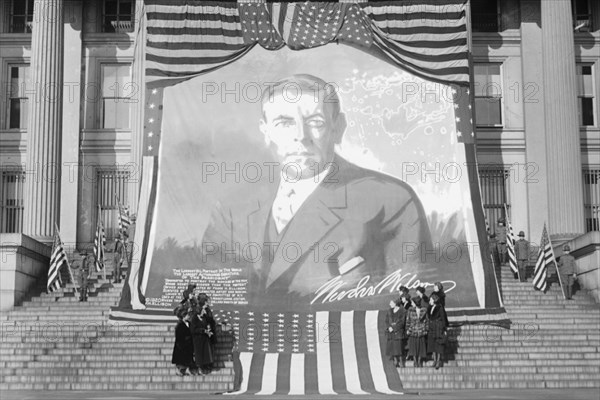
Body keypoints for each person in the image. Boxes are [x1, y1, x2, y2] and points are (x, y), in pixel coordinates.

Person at [202, 74, 433, 301]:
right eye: (285, 122)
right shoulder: (232, 209)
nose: (301, 136)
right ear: (265, 131)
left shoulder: (390, 200)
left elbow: (409, 298)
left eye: (315, 122)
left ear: (338, 128)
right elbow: (215, 293)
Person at [190, 299, 214, 374]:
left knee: (205, 354)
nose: (204, 311)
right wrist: (203, 330)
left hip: (205, 339)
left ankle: (205, 367)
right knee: (199, 355)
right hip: (198, 340)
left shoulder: (204, 318)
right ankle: (200, 368)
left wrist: (208, 328)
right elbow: (193, 329)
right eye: (203, 310)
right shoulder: (194, 319)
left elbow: (207, 324)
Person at [172, 305, 196, 376]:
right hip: (182, 345)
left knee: (188, 359)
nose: (189, 316)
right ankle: (179, 371)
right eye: (187, 315)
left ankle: (186, 370)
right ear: (183, 316)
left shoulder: (189, 323)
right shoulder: (179, 325)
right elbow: (179, 337)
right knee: (181, 360)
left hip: (189, 345)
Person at [427, 293, 448, 369]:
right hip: (432, 328)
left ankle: (438, 361)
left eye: (431, 299)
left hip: (438, 328)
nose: (430, 301)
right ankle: (434, 360)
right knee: (433, 345)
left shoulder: (440, 308)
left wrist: (444, 329)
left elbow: (443, 318)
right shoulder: (430, 307)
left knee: (438, 346)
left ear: (434, 300)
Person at [406, 296, 428, 368]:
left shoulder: (424, 310)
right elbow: (408, 321)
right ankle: (415, 361)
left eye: (412, 302)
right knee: (413, 347)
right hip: (413, 331)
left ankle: (419, 360)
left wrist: (426, 330)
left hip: (421, 331)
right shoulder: (410, 310)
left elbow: (427, 321)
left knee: (421, 347)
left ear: (416, 303)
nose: (411, 303)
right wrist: (408, 329)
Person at [385, 298, 407, 367]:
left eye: (391, 303)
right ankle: (395, 361)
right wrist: (389, 327)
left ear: (395, 303)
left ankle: (401, 361)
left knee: (398, 348)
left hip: (398, 332)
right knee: (392, 348)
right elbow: (387, 321)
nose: (390, 304)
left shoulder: (402, 311)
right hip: (391, 332)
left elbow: (402, 323)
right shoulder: (389, 311)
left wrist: (394, 328)